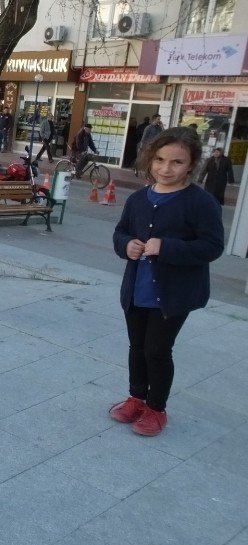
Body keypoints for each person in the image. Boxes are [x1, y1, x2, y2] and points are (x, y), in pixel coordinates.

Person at [110, 127, 224, 437]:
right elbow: (120, 233)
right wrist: (127, 245)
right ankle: (136, 397)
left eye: (176, 162)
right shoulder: (137, 199)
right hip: (136, 290)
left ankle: (156, 409)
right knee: (137, 347)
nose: (165, 168)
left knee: (157, 351)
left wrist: (167, 247)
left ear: (191, 164)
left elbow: (212, 247)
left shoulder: (201, 203)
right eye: (159, 159)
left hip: (172, 295)